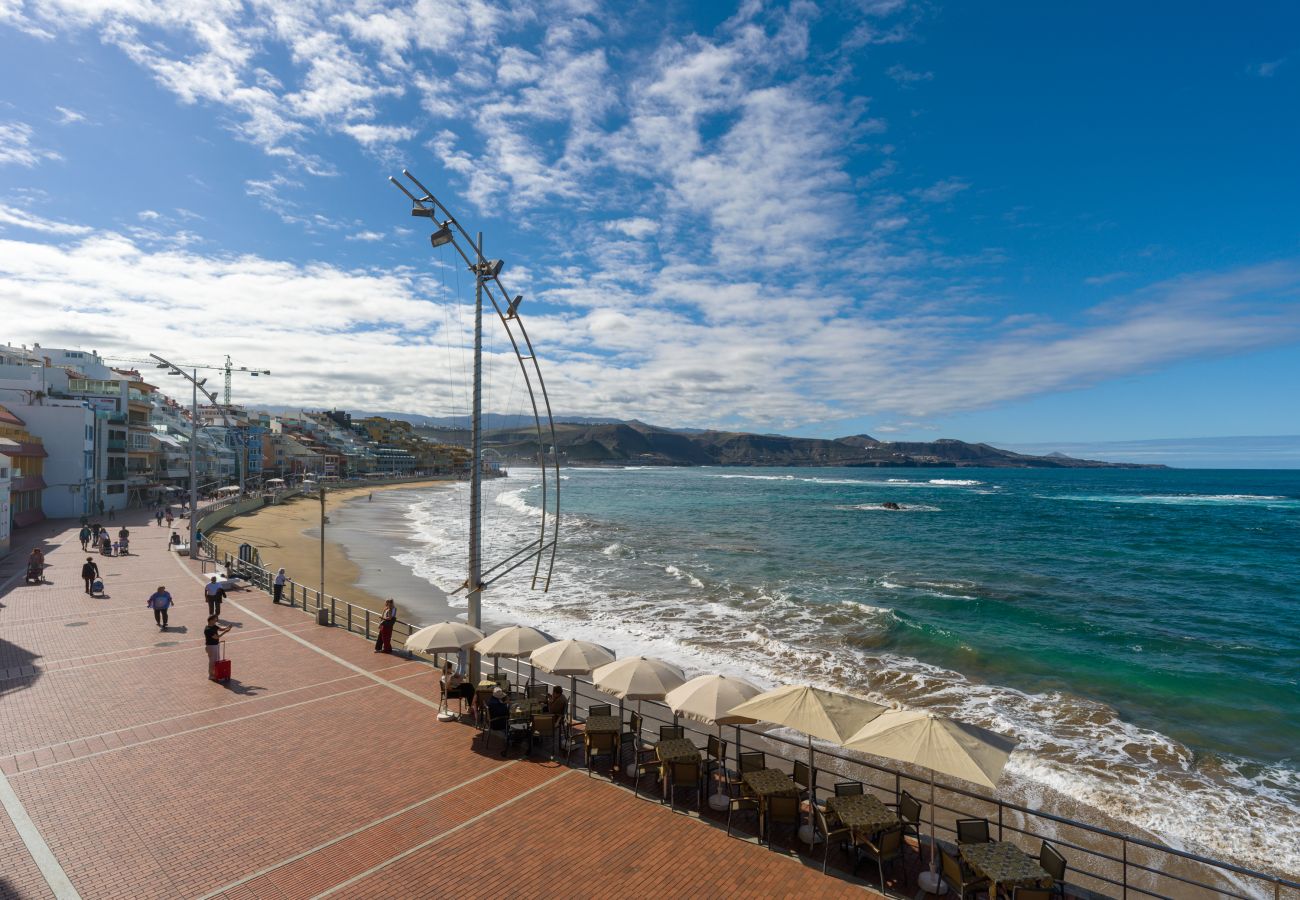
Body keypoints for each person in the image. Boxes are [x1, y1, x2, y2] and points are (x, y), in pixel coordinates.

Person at [204, 615, 234, 680]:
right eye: (215, 620)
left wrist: (227, 627)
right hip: (211, 646)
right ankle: (211, 675)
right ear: (210, 620)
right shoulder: (208, 630)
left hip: (216, 645)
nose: (216, 621)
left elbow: (221, 629)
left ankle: (215, 673)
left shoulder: (214, 626)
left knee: (217, 660)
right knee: (212, 661)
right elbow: (217, 637)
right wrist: (225, 631)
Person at [487, 687, 510, 754]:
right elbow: (505, 712)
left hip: (493, 721)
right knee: (511, 720)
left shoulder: (492, 700)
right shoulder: (496, 704)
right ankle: (509, 737)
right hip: (496, 723)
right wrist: (507, 704)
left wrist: (503, 704)